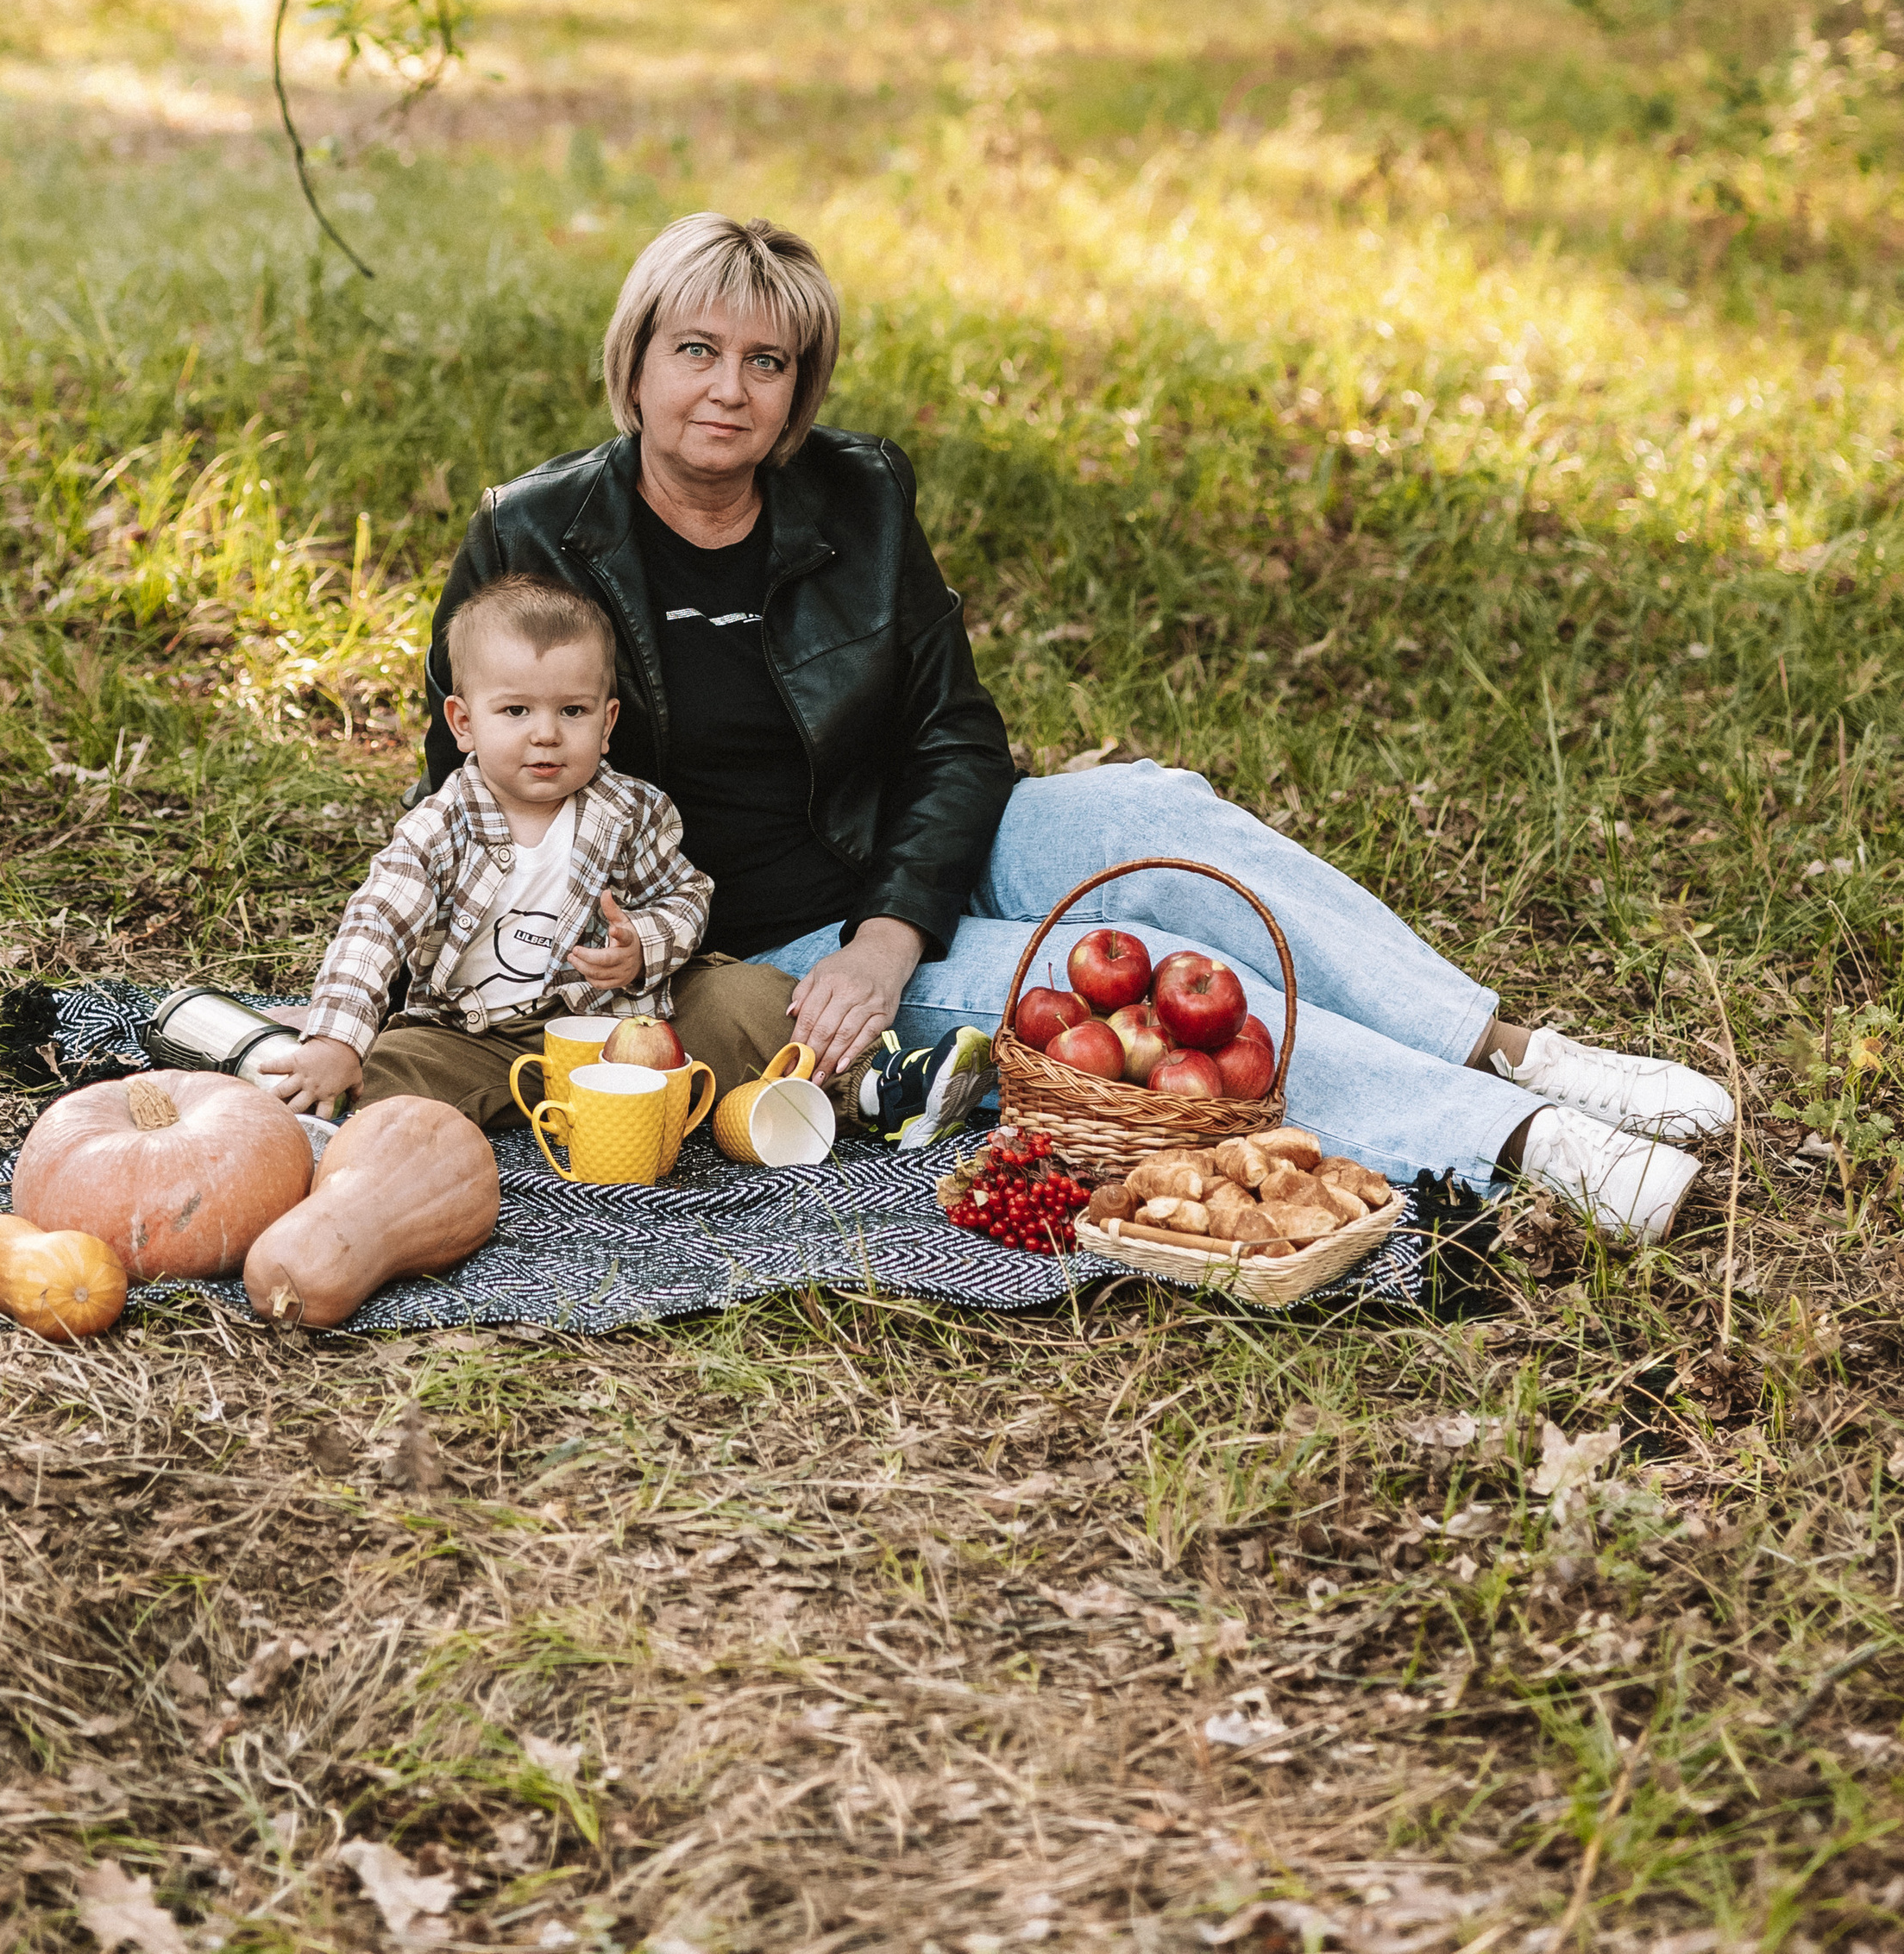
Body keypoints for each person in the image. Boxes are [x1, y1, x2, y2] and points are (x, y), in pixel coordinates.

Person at [411, 212, 1734, 1243]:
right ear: (635, 355)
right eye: (694, 348)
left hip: (900, 858)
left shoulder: (857, 495)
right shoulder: (532, 533)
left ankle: (1522, 1051)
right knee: (1141, 963)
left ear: (801, 386)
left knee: (1151, 813)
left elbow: (957, 735)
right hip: (754, 932)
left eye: (768, 360)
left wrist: (894, 927)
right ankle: (1519, 1140)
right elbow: (464, 796)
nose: (728, 388)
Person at [258, 574, 768, 1126]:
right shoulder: (440, 826)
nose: (545, 733)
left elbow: (685, 895)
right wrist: (337, 1040)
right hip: (474, 1039)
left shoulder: (631, 813)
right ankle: (308, 1122)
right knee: (378, 1077)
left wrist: (643, 945)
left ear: (607, 722)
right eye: (516, 711)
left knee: (751, 1000)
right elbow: (375, 924)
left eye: (573, 711)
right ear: (463, 722)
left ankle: (861, 1086)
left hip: (614, 1030)